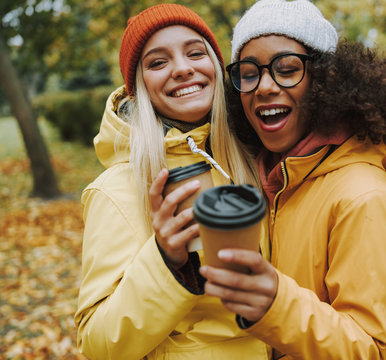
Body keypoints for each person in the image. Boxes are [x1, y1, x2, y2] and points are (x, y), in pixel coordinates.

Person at [200, 0, 386, 359]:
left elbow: (371, 350)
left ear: (326, 80)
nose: (264, 86)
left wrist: (274, 303)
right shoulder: (264, 178)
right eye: (248, 72)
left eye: (287, 69)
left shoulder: (363, 198)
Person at [73, 4, 271, 359]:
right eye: (158, 63)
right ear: (139, 86)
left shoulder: (255, 157)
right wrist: (164, 260)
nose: (183, 69)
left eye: (196, 53)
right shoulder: (116, 189)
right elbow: (96, 343)